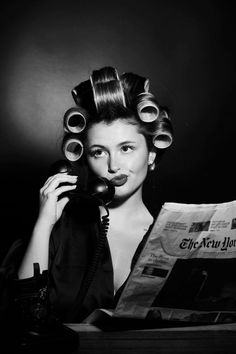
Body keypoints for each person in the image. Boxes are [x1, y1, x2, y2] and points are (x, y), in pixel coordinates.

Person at [17, 66, 173, 323]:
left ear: (151, 154)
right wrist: (44, 224)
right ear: (86, 159)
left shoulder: (169, 237)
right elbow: (22, 316)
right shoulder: (61, 229)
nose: (113, 165)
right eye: (99, 152)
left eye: (126, 148)